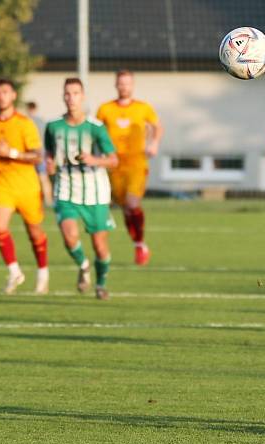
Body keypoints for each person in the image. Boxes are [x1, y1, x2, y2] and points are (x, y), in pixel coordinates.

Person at [45, 78, 119, 300]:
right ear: (63, 96)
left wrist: (94, 160)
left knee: (100, 245)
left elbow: (113, 160)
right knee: (69, 236)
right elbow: (49, 153)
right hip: (66, 188)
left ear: (82, 96)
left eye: (75, 93)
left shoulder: (95, 127)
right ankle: (83, 265)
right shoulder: (53, 126)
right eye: (67, 93)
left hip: (95, 191)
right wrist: (48, 163)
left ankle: (101, 284)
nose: (71, 98)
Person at [0, 78, 49, 294]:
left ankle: (43, 273)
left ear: (13, 96)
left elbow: (38, 156)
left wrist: (12, 153)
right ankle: (14, 272)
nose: (1, 95)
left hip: (27, 185)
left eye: (5, 91)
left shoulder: (24, 123)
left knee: (35, 233)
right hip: (2, 183)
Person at [96, 69, 163, 265]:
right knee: (125, 208)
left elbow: (158, 126)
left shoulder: (143, 108)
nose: (124, 86)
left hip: (137, 163)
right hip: (114, 164)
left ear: (132, 86)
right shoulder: (105, 109)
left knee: (133, 204)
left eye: (127, 83)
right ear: (116, 85)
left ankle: (140, 244)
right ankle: (138, 243)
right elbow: (96, 131)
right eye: (121, 83)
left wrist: (154, 143)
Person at [26, 101, 54, 207]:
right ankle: (48, 201)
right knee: (44, 178)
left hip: (30, 154)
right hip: (41, 152)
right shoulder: (42, 122)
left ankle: (34, 201)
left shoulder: (26, 121)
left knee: (31, 179)